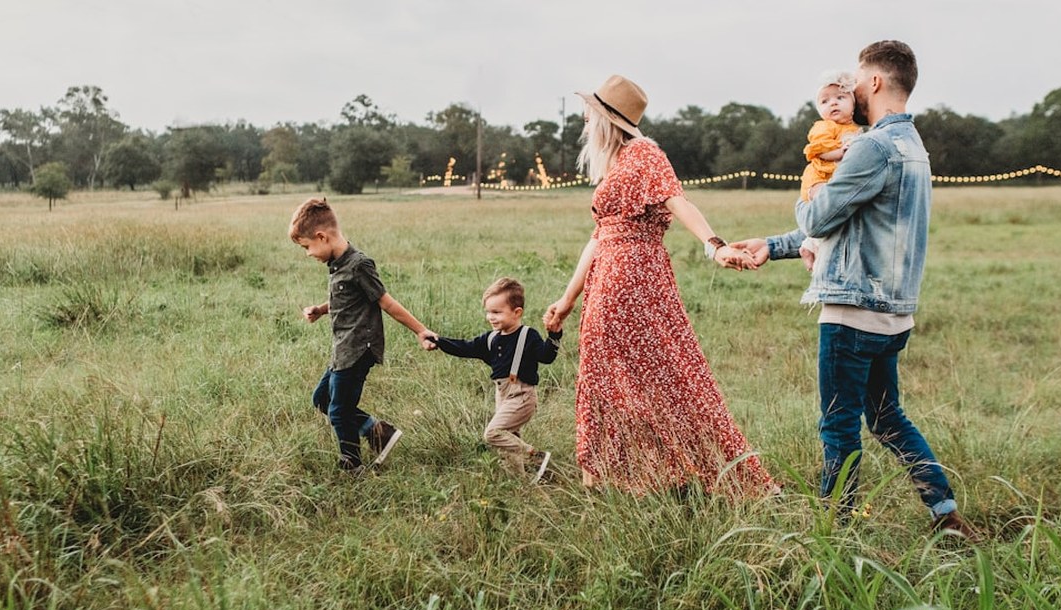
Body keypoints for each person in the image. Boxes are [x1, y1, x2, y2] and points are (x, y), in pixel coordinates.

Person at [732, 41, 977, 538]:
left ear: (877, 82)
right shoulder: (913, 147)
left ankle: (835, 530)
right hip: (894, 313)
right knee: (887, 419)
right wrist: (773, 246)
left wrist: (810, 189)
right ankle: (945, 513)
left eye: (858, 81)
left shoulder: (872, 147)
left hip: (853, 312)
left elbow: (819, 218)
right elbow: (850, 224)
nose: (852, 90)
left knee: (838, 424)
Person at [542, 74, 777, 496]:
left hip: (632, 277)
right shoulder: (617, 163)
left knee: (664, 374)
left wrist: (714, 246)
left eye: (589, 113)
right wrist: (567, 299)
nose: (584, 120)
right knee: (612, 374)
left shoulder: (644, 153)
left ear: (607, 119)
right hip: (609, 276)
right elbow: (598, 237)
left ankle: (681, 471)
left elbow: (678, 201)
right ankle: (618, 475)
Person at [290, 197, 437, 473]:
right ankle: (378, 432)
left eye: (307, 247)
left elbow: (386, 302)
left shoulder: (359, 264)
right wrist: (321, 310)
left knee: (339, 410)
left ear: (321, 237)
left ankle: (352, 464)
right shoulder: (337, 264)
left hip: (358, 349)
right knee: (322, 399)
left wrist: (421, 330)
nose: (307, 254)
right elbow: (345, 298)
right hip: (342, 349)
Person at [427, 278, 562, 483]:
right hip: (502, 394)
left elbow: (547, 357)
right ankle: (518, 482)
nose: (491, 317)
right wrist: (439, 341)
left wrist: (554, 335)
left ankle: (534, 456)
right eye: (488, 312)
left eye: (497, 312)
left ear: (517, 312)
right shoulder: (491, 339)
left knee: (493, 433)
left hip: (522, 395)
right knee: (508, 442)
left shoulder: (528, 335)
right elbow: (465, 347)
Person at [798, 70, 862, 273]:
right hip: (819, 177)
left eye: (840, 98)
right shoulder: (824, 126)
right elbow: (819, 150)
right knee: (826, 207)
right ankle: (816, 251)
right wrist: (840, 152)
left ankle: (809, 245)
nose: (833, 103)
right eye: (825, 101)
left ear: (853, 104)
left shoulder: (856, 129)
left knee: (835, 212)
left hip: (833, 178)